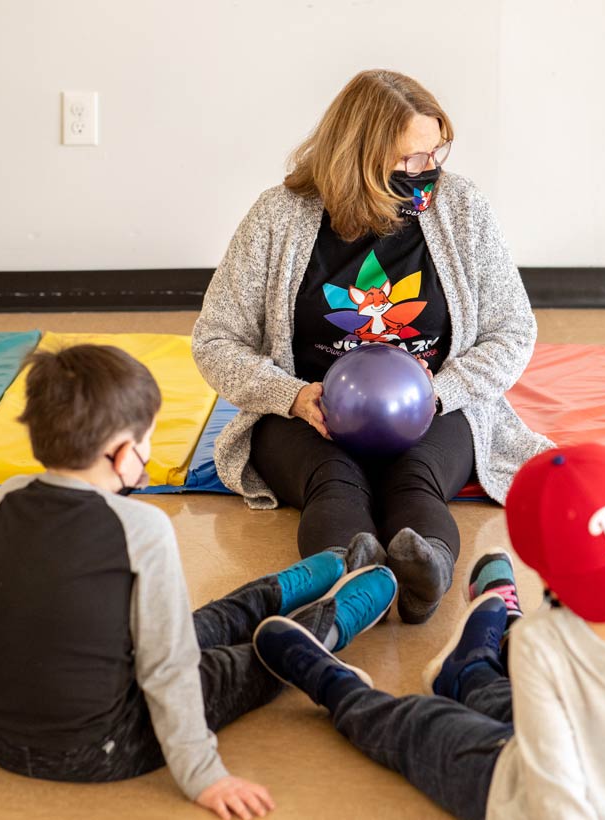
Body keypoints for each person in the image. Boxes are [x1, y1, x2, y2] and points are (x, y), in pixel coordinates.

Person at [0, 344, 398, 820]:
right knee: (253, 660)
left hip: (2, 740)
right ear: (120, 450)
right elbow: (168, 668)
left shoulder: (3, 502)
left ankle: (293, 583)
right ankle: (332, 618)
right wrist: (204, 776)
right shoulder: (141, 529)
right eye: (144, 440)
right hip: (103, 748)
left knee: (191, 625)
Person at [192, 69, 549, 625]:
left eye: (435, 154)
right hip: (307, 414)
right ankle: (353, 580)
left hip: (434, 407)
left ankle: (424, 575)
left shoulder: (461, 209)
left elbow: (513, 329)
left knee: (416, 481)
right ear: (357, 157)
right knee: (335, 486)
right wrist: (292, 396)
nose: (427, 172)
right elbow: (215, 339)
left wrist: (439, 393)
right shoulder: (277, 217)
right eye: (411, 160)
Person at [252, 443, 605, 819]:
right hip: (589, 757)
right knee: (507, 701)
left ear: (546, 576)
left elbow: (557, 805)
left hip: (516, 794)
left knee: (412, 724)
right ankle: (466, 671)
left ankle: (335, 683)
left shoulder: (543, 643)